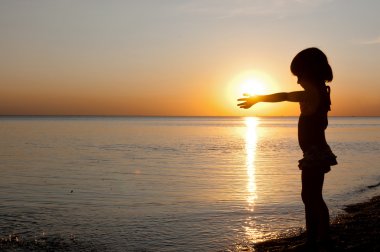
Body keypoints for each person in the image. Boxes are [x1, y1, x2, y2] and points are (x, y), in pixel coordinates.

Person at [237, 47, 337, 251]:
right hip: (314, 153)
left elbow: (284, 95)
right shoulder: (320, 92)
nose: (297, 80)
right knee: (309, 196)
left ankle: (322, 238)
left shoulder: (312, 94)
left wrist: (259, 98)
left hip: (315, 154)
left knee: (313, 197)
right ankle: (313, 239)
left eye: (299, 75)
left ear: (310, 72)